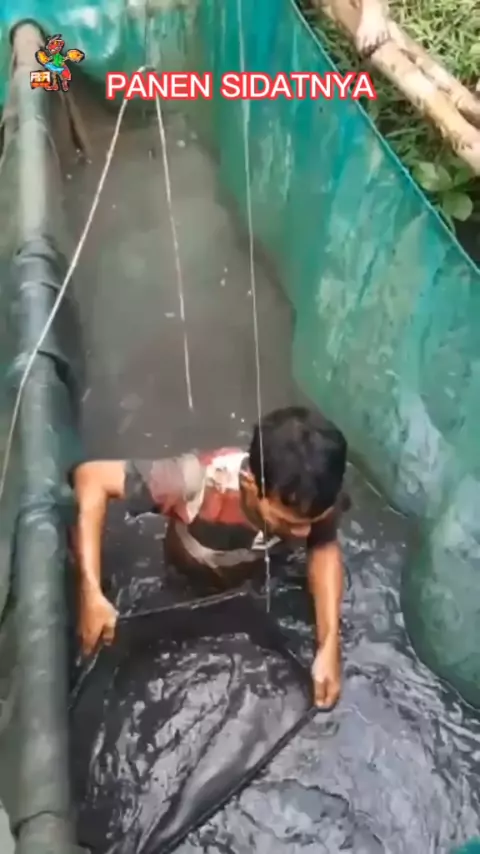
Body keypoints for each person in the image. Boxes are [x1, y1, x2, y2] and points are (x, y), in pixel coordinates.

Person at [72, 406, 349, 708]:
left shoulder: (313, 493)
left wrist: (329, 644)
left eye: (312, 520)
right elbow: (91, 477)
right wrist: (91, 592)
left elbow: (323, 545)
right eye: (289, 522)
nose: (304, 532)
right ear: (251, 485)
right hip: (190, 582)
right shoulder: (194, 483)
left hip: (256, 574)